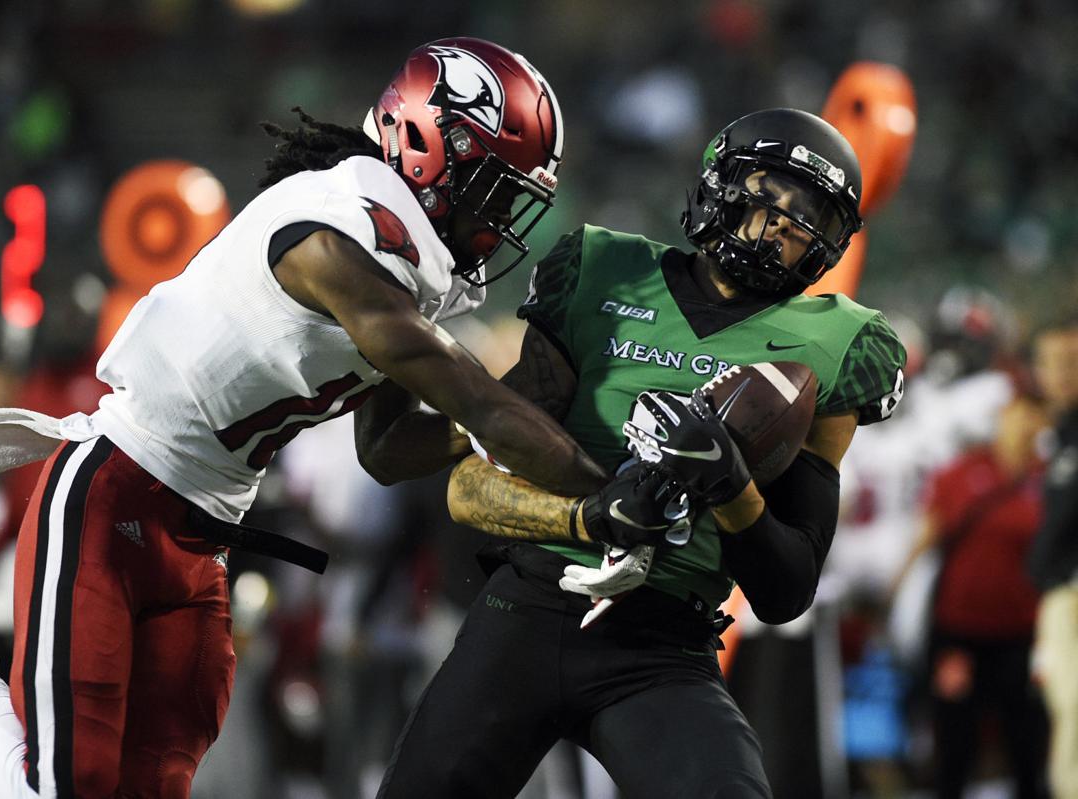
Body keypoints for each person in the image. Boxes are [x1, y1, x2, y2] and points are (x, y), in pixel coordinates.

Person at [0, 37, 622, 798]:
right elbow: (481, 403)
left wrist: (498, 413)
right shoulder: (331, 237)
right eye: (496, 193)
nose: (501, 223)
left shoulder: (395, 259)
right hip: (112, 494)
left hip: (204, 531)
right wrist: (617, 490)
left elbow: (389, 448)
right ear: (427, 148)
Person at [378, 108, 907, 798]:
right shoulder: (603, 270)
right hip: (528, 610)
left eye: (813, 215)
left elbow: (785, 589)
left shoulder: (838, 342)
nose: (787, 222)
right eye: (775, 194)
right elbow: (471, 487)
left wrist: (729, 484)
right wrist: (592, 517)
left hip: (663, 645)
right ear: (721, 184)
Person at [894, 393, 1048, 799]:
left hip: (1022, 634)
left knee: (1026, 741)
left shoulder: (1050, 478)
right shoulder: (961, 473)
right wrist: (897, 589)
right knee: (955, 741)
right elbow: (928, 534)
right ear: (1001, 418)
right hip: (958, 634)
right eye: (1017, 416)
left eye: (1033, 417)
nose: (1024, 426)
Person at [1026, 315, 1078, 799]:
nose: (1063, 374)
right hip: (1059, 594)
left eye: (1073, 362)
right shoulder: (1058, 434)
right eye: (1053, 363)